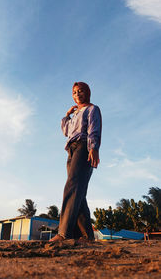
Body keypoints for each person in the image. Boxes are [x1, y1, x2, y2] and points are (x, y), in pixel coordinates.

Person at [50, 82, 102, 242]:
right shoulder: (75, 115)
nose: (77, 94)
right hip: (71, 150)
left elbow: (94, 128)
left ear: (87, 92)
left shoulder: (92, 109)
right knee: (78, 192)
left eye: (80, 91)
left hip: (83, 147)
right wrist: (67, 115)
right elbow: (66, 131)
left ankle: (64, 233)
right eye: (74, 92)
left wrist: (93, 147)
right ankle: (86, 236)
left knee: (72, 187)